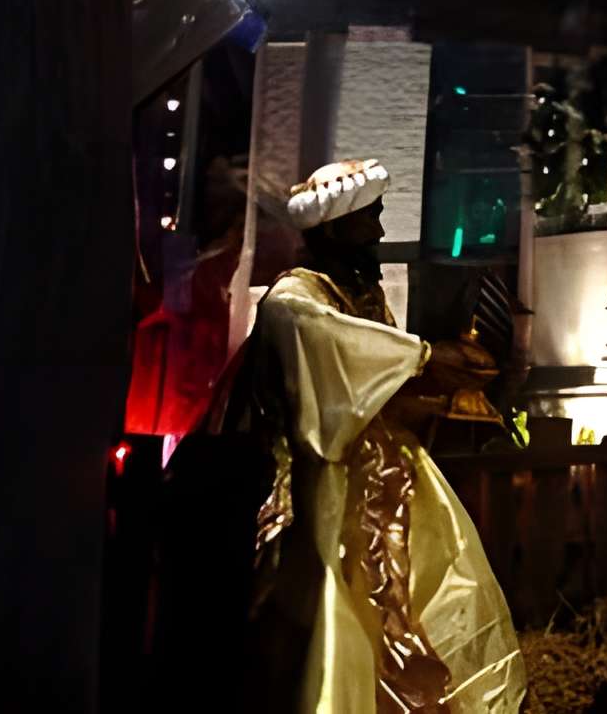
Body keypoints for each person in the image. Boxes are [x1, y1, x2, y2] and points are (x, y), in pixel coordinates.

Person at [212, 156, 523, 713]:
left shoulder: (356, 293)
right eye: (369, 219)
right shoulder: (293, 303)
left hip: (391, 492)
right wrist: (426, 357)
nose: (379, 232)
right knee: (337, 626)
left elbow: (373, 384)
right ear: (332, 228)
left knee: (441, 596)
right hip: (326, 503)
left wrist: (440, 390)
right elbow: (339, 354)